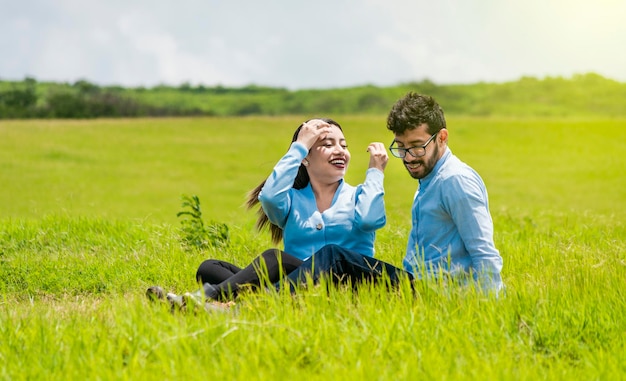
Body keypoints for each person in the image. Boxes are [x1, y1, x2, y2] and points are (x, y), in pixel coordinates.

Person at [147, 117, 389, 308]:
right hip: (295, 283)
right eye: (328, 145)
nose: (340, 151)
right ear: (305, 159)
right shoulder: (292, 199)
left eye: (344, 145)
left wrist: (376, 173)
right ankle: (246, 303)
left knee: (274, 259)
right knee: (209, 268)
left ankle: (207, 297)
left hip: (344, 284)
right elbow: (270, 197)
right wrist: (299, 147)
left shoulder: (358, 195)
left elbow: (370, 219)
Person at [280, 93, 504, 294]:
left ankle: (267, 301)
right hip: (415, 286)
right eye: (401, 147)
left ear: (442, 137)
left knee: (335, 256)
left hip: (436, 294)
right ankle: (252, 295)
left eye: (417, 146)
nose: (408, 157)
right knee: (275, 260)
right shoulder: (430, 179)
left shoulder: (455, 180)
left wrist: (487, 308)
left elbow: (483, 250)